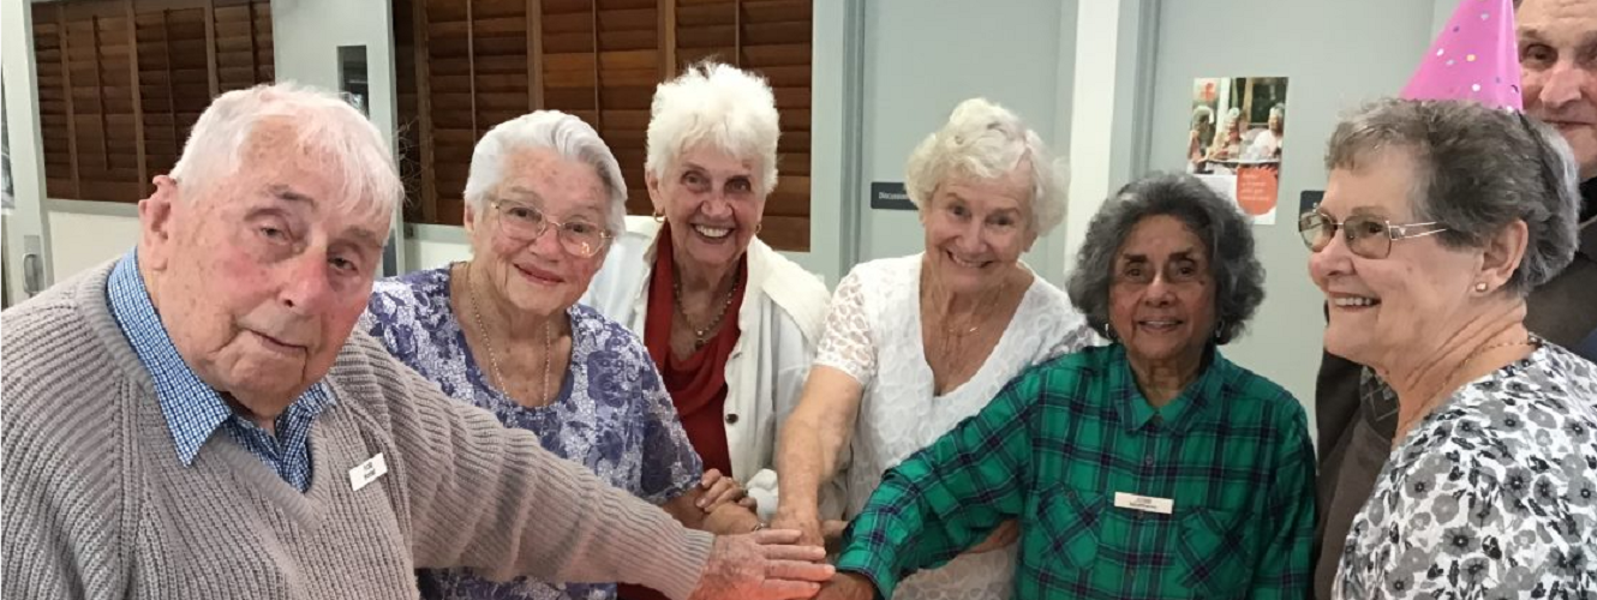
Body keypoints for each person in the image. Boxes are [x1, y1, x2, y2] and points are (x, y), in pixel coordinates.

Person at [0, 83, 833, 600]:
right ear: (163, 219)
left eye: (348, 258)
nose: (305, 290)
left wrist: (703, 565)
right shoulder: (25, 421)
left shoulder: (341, 373)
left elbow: (514, 494)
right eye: (271, 230)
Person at [813, 172, 1316, 600]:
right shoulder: (1053, 401)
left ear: (1223, 287)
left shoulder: (1271, 428)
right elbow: (930, 489)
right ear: (1107, 292)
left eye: (1184, 270)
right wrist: (863, 572)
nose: (1158, 292)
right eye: (1134, 272)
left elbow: (1282, 585)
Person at [362, 110, 762, 600]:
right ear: (472, 214)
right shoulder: (382, 329)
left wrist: (763, 540)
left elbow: (684, 497)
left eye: (579, 228)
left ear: (601, 251)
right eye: (522, 213)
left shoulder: (616, 360)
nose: (549, 247)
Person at [1311, 0, 1597, 594]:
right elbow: (1345, 422)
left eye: (1371, 231)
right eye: (1327, 226)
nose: (1324, 262)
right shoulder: (1558, 381)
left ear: (1494, 254)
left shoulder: (1468, 478)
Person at [773, 97, 1100, 599]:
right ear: (925, 205)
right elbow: (819, 422)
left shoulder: (1062, 336)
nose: (972, 240)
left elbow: (1013, 510)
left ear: (1032, 232)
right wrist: (798, 515)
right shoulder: (870, 291)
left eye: (1001, 220)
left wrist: (874, 552)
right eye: (957, 209)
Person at [582, 62, 831, 532]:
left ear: (764, 196)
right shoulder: (601, 265)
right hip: (603, 555)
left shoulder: (799, 306)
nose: (716, 208)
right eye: (694, 179)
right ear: (656, 185)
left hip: (722, 561)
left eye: (739, 184)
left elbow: (826, 469)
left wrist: (758, 497)